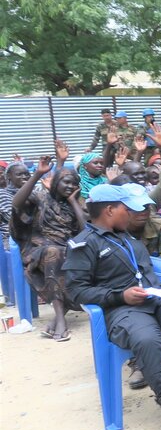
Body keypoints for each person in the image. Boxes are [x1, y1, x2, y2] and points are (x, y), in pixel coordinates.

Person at [64, 184, 161, 430]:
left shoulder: (127, 237)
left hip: (156, 298)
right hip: (123, 308)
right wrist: (120, 296)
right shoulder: (84, 244)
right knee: (146, 340)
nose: (131, 213)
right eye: (125, 209)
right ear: (110, 210)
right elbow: (76, 291)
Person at [11, 143, 85, 341]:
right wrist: (37, 175)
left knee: (68, 255)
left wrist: (73, 202)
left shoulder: (77, 203)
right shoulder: (41, 198)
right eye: (65, 182)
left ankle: (58, 318)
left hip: (69, 249)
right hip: (39, 249)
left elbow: (87, 230)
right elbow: (16, 204)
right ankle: (60, 319)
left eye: (73, 183)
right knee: (54, 253)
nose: (69, 186)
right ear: (55, 183)